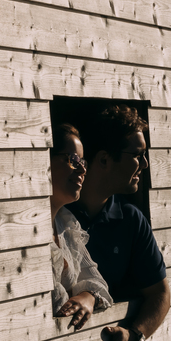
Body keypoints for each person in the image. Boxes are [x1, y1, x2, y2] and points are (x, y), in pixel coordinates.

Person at [68, 105, 170, 341]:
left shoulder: (131, 220)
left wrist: (133, 335)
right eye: (137, 155)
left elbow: (160, 294)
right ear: (103, 160)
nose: (145, 164)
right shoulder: (59, 214)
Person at [49, 123, 113, 330]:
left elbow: (99, 283)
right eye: (72, 160)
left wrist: (88, 297)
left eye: (83, 161)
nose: (83, 169)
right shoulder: (26, 228)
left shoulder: (66, 225)